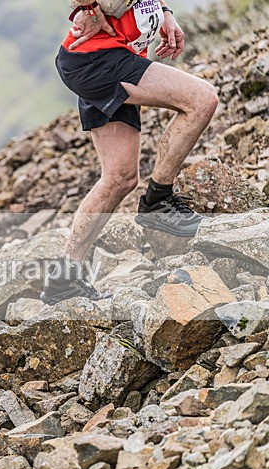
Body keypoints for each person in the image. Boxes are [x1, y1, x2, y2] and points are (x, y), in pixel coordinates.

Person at [40, 0, 219, 304]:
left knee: (119, 178)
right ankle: (158, 201)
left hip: (103, 58)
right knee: (202, 99)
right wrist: (89, 8)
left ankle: (63, 280)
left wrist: (164, 13)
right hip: (97, 59)